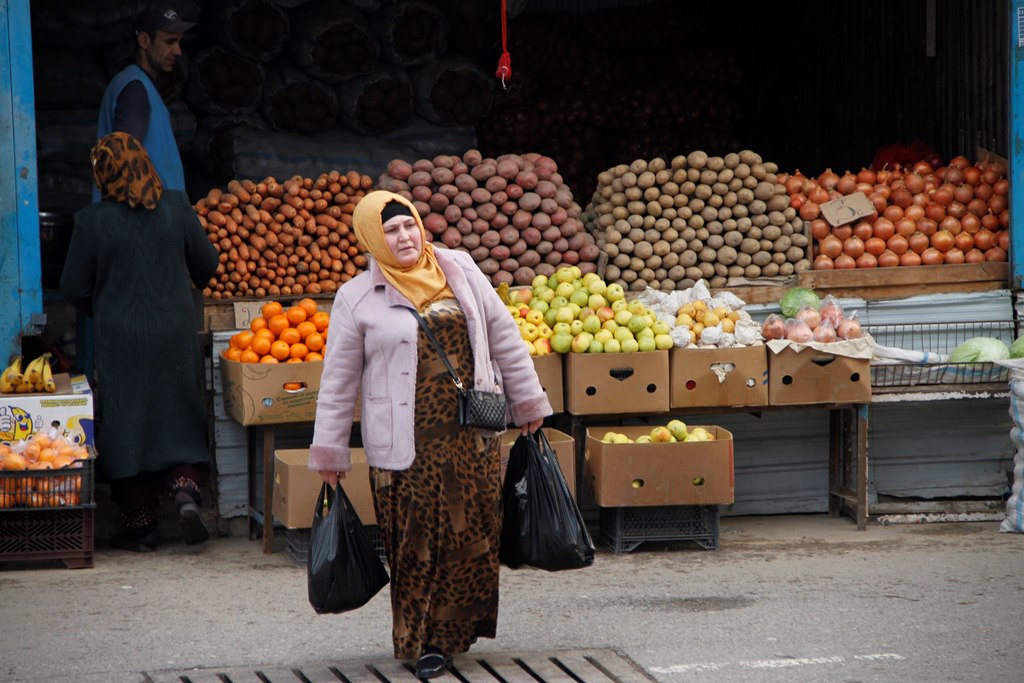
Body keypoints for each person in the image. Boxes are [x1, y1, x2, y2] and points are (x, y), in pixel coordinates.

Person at [308, 190, 552, 679]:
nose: (403, 237)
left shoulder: (458, 268)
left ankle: (454, 634)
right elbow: (337, 382)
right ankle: (422, 641)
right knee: (417, 543)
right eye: (391, 230)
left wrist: (528, 402)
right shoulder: (356, 297)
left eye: (408, 226)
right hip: (405, 447)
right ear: (373, 238)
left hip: (473, 438)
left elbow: (504, 336)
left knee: (473, 536)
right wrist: (331, 451)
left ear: (422, 225)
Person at [61, 132, 219, 552]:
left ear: (102, 174)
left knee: (126, 421)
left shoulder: (91, 221)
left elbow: (72, 286)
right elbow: (207, 265)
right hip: (174, 331)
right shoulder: (177, 206)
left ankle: (141, 526)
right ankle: (185, 491)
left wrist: (106, 303)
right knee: (179, 410)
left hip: (121, 336)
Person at [94, 7, 196, 201]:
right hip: (142, 223)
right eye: (169, 42)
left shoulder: (139, 85)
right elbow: (123, 165)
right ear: (144, 41)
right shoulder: (135, 90)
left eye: (179, 42)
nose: (178, 51)